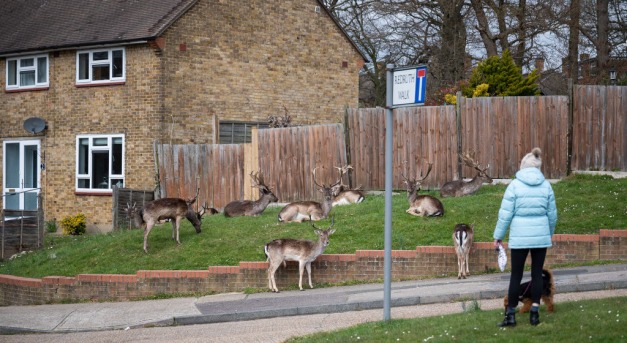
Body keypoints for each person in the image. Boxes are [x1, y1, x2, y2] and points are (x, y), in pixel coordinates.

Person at [493, 147, 557, 327]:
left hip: (519, 238)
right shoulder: (546, 186)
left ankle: (510, 317)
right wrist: (548, 235)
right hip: (540, 238)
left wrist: (498, 236)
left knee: (516, 276)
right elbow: (552, 215)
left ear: (523, 166)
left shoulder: (514, 185)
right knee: (537, 275)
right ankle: (535, 314)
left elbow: (505, 214)